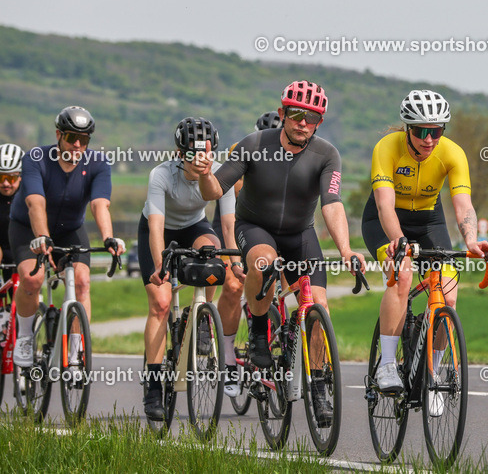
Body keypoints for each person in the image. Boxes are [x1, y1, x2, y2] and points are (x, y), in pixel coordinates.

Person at [197, 80, 365, 426]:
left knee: (318, 308)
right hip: (255, 227)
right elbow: (214, 190)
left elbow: (332, 203)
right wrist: (203, 173)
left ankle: (319, 387)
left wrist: (346, 250)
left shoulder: (327, 154)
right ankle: (259, 332)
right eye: (296, 115)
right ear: (282, 113)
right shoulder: (254, 144)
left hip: (300, 235)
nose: (303, 123)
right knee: (263, 263)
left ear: (319, 122)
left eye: (311, 118)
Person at [363, 90, 487, 416]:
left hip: (429, 221)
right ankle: (387, 364)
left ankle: (432, 372)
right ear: (408, 128)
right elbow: (384, 205)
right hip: (385, 220)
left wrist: (471, 240)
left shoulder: (452, 153)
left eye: (436, 130)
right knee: (402, 275)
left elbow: (463, 204)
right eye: (421, 131)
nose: (429, 139)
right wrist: (399, 241)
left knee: (448, 295)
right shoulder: (387, 148)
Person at [10, 107, 126, 368]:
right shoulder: (36, 158)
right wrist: (42, 237)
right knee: (32, 279)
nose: (77, 145)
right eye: (72, 137)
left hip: (69, 229)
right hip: (28, 227)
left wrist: (108, 238)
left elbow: (99, 204)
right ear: (58, 135)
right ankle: (25, 336)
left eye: (84, 139)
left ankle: (75, 352)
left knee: (82, 282)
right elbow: (35, 203)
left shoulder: (98, 163)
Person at [139, 117, 236, 421]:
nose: (199, 159)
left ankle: (202, 317)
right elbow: (156, 227)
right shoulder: (161, 175)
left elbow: (227, 225)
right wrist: (160, 266)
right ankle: (154, 385)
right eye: (193, 153)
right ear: (180, 153)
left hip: (195, 226)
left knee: (213, 256)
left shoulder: (219, 173)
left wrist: (234, 262)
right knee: (161, 303)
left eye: (205, 152)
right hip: (158, 230)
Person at [211, 111, 281, 399]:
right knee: (233, 285)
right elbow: (233, 206)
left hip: (270, 227)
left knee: (279, 281)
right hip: (235, 220)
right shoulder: (243, 150)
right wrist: (235, 260)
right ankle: (228, 360)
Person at [0, 143, 26, 281]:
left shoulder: (29, 195)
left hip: (21, 248)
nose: (5, 183)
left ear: (20, 177)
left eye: (11, 178)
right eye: (0, 178)